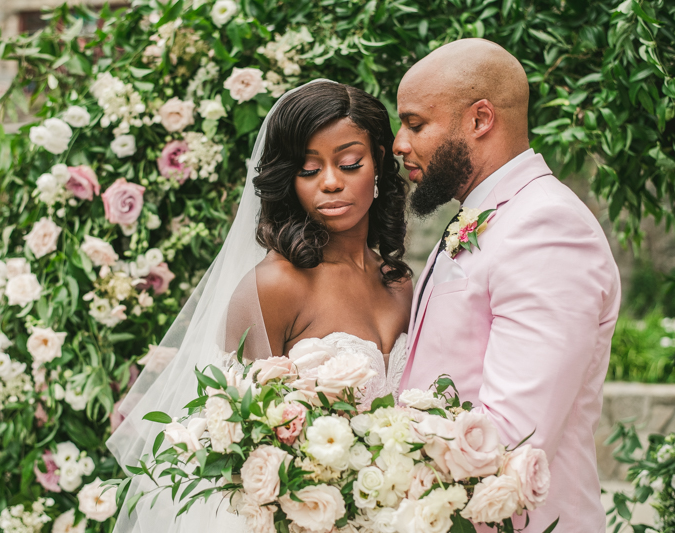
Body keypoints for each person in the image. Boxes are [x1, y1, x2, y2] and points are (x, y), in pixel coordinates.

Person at [107, 80, 412, 533]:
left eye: (349, 163)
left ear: (380, 161)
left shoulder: (401, 282)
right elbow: (240, 445)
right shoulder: (274, 286)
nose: (331, 182)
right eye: (309, 170)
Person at [395, 38, 621, 532]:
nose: (399, 142)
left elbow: (515, 434)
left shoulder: (547, 228)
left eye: (415, 123)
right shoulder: (488, 215)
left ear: (480, 120)